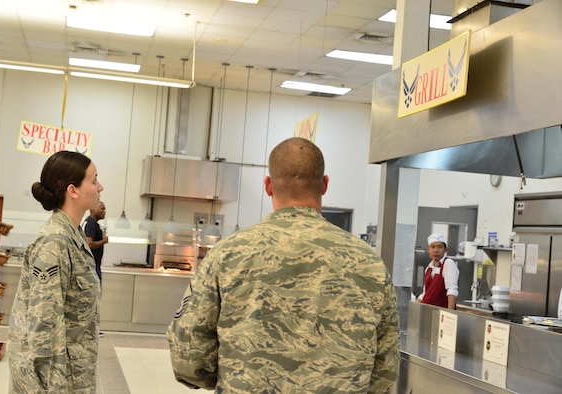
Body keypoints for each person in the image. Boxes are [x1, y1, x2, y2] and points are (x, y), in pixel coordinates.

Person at [167, 137, 400, 393]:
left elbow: (188, 350)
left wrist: (225, 379)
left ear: (268, 185)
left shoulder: (228, 254)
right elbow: (386, 367)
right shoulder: (369, 263)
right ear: (324, 185)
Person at [8, 151, 104, 393]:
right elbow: (44, 326)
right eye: (94, 180)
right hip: (55, 381)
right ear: (73, 190)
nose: (100, 187)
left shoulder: (73, 236)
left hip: (74, 373)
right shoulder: (55, 242)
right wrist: (52, 387)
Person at [417, 233, 459, 309]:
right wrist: (415, 307)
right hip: (428, 311)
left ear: (445, 250)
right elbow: (425, 293)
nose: (436, 250)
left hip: (440, 313)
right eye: (432, 247)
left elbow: (452, 290)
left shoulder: (448, 264)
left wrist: (450, 313)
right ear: (428, 250)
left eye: (439, 247)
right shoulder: (428, 268)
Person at [83, 201, 108, 284]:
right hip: (91, 267)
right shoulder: (91, 224)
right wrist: (104, 241)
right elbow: (89, 244)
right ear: (93, 209)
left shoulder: (91, 223)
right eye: (102, 208)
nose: (104, 211)